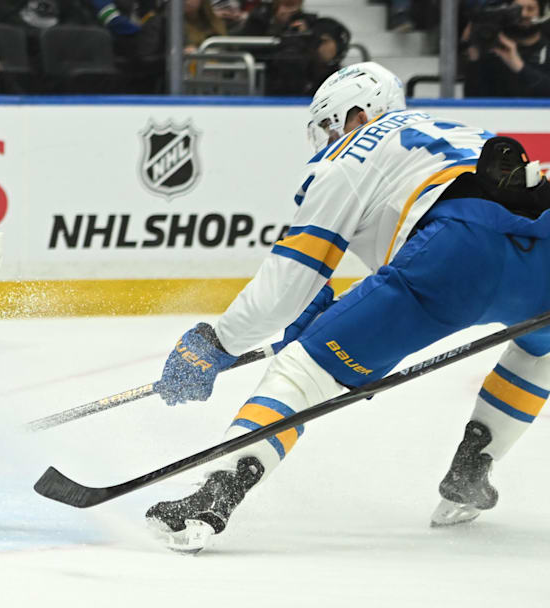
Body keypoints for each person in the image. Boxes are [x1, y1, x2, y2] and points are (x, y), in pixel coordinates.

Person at [145, 62, 550, 553]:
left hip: (455, 257)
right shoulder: (453, 130)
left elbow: (289, 282)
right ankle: (474, 466)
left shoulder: (348, 154)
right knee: (540, 352)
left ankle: (216, 494)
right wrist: (323, 312)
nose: (324, 140)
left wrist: (215, 343)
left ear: (356, 113)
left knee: (303, 371)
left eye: (327, 126)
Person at [463, 0, 550, 98]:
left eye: (530, 9)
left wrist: (519, 66)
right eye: (516, 10)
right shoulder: (494, 51)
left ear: (541, 13)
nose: (523, 14)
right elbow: (472, 101)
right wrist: (474, 59)